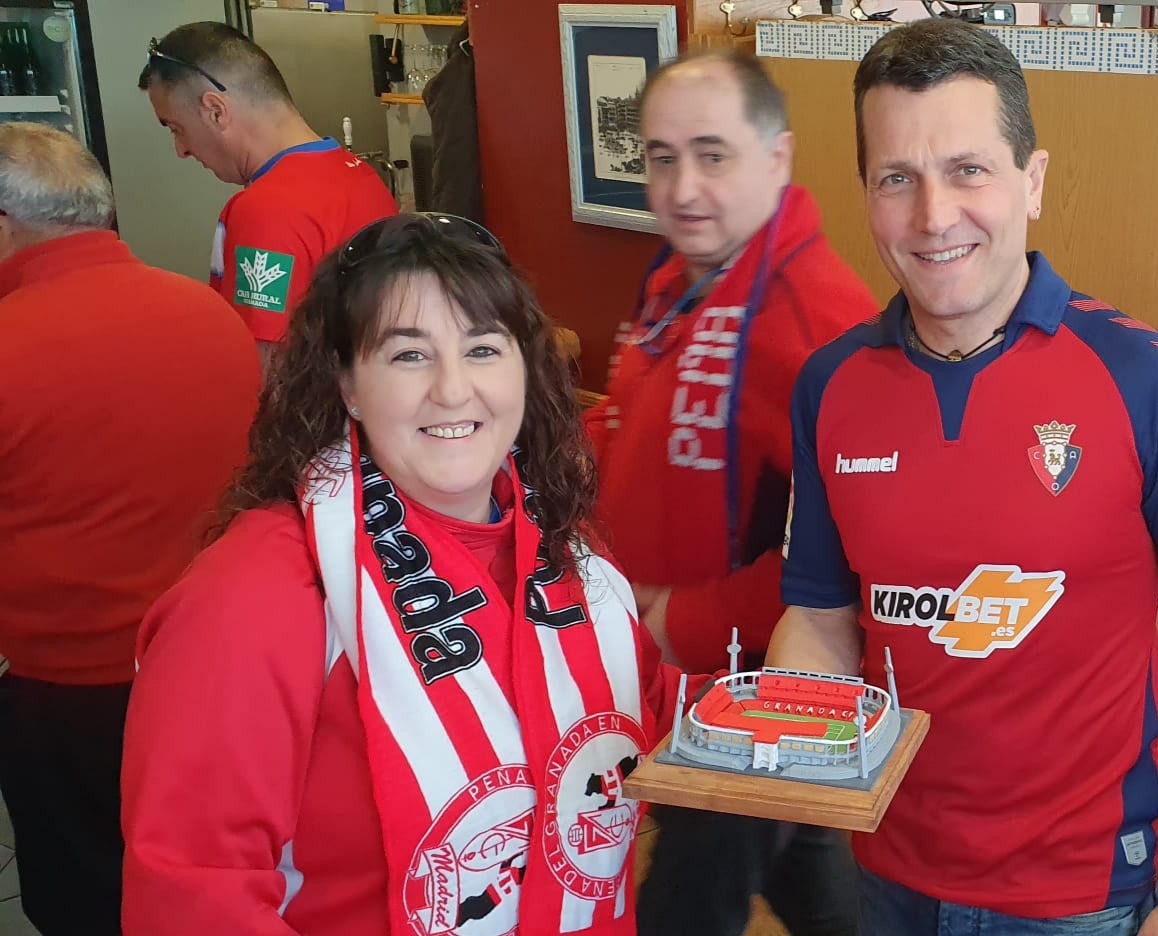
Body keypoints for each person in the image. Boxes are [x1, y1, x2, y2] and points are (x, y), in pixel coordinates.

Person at [767, 19, 1158, 936]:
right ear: (867, 196)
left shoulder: (1148, 381)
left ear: (1030, 182)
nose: (932, 215)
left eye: (968, 169)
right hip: (881, 876)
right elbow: (820, 619)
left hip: (1083, 897)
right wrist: (768, 755)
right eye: (897, 178)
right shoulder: (829, 387)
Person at [121, 213, 693, 936]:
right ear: (348, 385)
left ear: (526, 368)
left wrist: (778, 719)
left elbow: (638, 698)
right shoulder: (255, 599)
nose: (454, 390)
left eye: (483, 349)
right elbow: (191, 897)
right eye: (409, 356)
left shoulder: (562, 545)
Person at [582, 48, 872, 936]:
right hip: (669, 680)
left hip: (750, 697)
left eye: (713, 155)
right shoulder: (681, 281)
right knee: (807, 870)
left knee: (681, 908)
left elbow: (855, 556)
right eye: (662, 158)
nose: (682, 187)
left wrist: (681, 618)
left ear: (777, 159)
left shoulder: (819, 322)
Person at [0, 122, 259, 936]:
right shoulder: (213, 319)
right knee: (197, 885)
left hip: (67, 693)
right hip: (217, 672)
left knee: (86, 901)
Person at [139, 21, 396, 370]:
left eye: (177, 128)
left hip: (307, 421)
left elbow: (266, 370)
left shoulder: (267, 208)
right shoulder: (360, 175)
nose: (181, 150)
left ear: (215, 110)